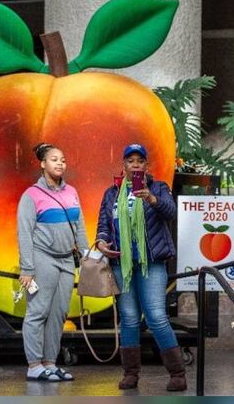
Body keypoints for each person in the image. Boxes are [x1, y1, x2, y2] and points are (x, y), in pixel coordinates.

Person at [95, 143, 187, 391]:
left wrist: (153, 198)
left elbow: (171, 212)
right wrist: (102, 242)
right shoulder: (111, 193)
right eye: (130, 160)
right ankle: (130, 374)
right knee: (129, 319)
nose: (135, 164)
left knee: (156, 316)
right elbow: (103, 223)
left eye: (140, 161)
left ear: (146, 165)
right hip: (121, 263)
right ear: (123, 165)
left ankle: (177, 374)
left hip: (152, 263)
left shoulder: (158, 187)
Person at [17, 143, 88, 382]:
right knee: (38, 312)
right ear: (42, 164)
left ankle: (50, 363)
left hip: (67, 259)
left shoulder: (72, 192)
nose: (60, 163)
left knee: (59, 313)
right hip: (42, 257)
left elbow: (79, 226)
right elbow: (24, 233)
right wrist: (27, 268)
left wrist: (87, 253)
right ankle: (34, 365)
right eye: (54, 159)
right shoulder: (31, 196)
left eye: (63, 160)